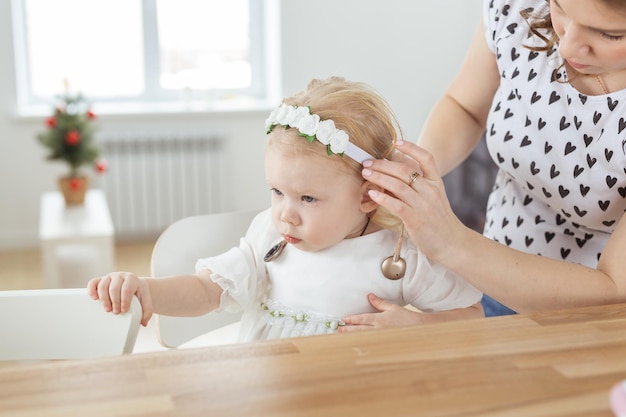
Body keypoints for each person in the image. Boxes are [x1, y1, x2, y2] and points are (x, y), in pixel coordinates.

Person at [88, 77, 484, 342]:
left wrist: (416, 326)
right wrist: (147, 291)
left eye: (307, 199)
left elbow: (471, 317)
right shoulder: (271, 236)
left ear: (367, 196)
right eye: (277, 191)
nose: (286, 215)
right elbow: (207, 290)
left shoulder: (398, 255)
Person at [341, 0, 626, 329]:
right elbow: (465, 107)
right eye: (560, 7)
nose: (568, 44)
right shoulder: (518, 9)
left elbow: (613, 290)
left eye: (609, 34)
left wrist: (452, 243)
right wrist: (407, 172)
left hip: (593, 325)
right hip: (485, 279)